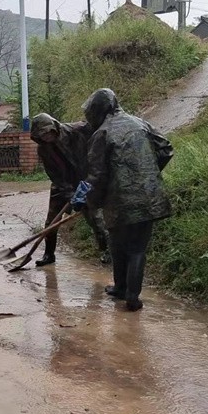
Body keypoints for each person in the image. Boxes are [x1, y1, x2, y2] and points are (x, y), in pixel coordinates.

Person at [80, 88, 173, 311]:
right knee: (135, 248)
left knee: (120, 245)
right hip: (148, 196)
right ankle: (128, 292)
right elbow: (165, 149)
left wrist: (86, 199)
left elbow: (96, 175)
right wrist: (148, 173)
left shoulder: (102, 133)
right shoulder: (140, 123)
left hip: (118, 200)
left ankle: (126, 291)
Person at [30, 113, 111, 267]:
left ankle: (106, 250)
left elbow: (100, 133)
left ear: (55, 127)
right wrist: (69, 192)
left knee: (95, 218)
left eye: (49, 132)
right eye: (42, 135)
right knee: (51, 221)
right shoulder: (43, 150)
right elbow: (53, 174)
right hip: (62, 184)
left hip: (85, 181)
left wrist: (91, 182)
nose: (47, 136)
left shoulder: (77, 130)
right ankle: (49, 254)